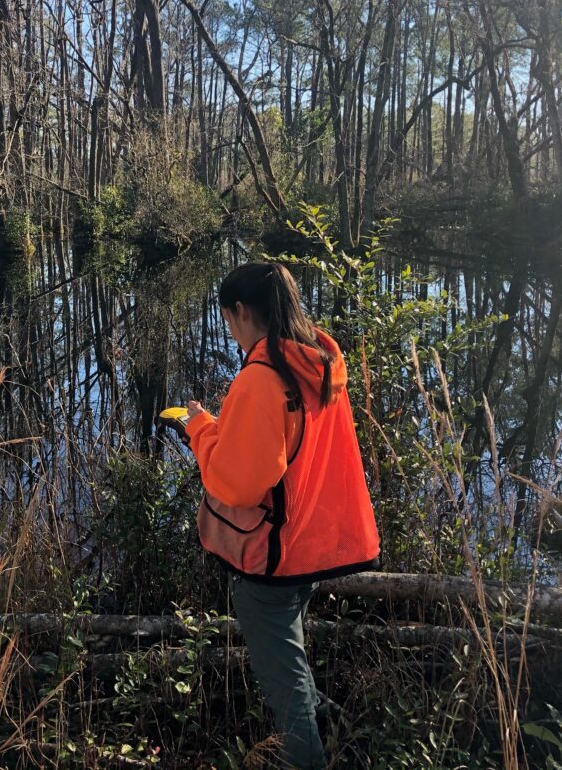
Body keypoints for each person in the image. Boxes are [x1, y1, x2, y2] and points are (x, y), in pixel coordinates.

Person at [182, 261, 380, 769]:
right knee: (290, 656)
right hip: (311, 546)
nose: (230, 330)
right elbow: (291, 452)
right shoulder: (318, 365)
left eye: (228, 318)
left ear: (242, 311)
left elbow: (238, 483)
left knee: (284, 678)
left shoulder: (262, 377)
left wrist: (200, 427)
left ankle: (307, 759)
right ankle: (339, 735)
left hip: (272, 557)